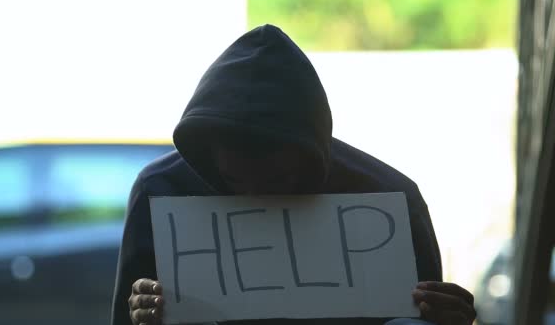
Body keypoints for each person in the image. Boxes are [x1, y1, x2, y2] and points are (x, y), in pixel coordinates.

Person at [110, 24, 476, 325]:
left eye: (274, 181)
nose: (256, 199)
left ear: (310, 161)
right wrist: (141, 317)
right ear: (208, 157)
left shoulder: (391, 200)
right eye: (235, 181)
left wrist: (445, 320)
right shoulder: (159, 191)